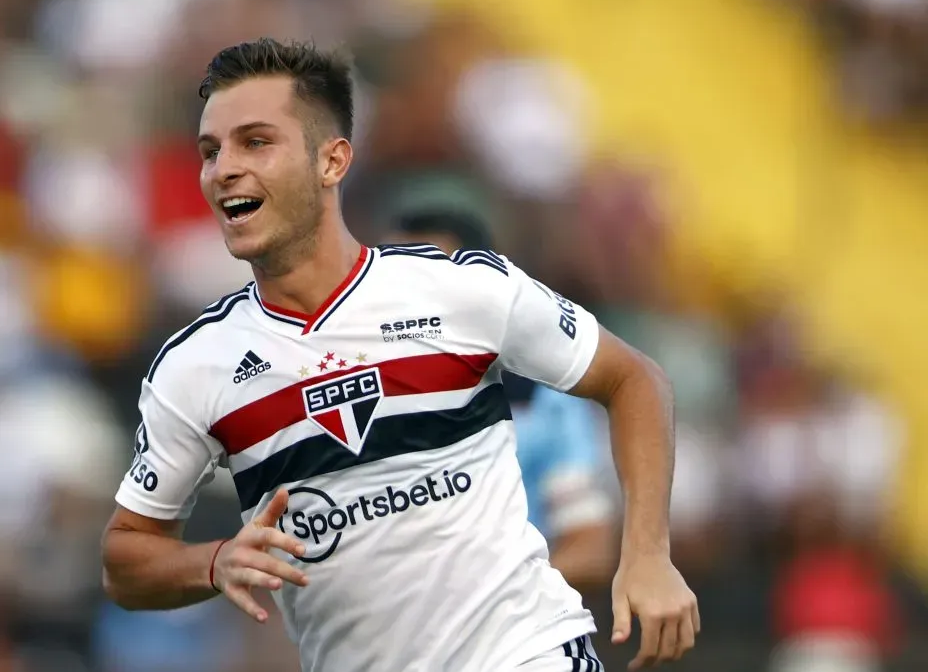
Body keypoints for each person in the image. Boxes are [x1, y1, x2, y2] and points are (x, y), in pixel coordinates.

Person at [101, 39, 699, 672]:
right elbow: (126, 558)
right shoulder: (196, 366)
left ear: (331, 162)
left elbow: (634, 378)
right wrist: (213, 561)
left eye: (255, 142)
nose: (223, 168)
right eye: (211, 150)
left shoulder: (463, 289)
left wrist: (647, 555)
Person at [383, 200, 617, 590]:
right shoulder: (353, 399)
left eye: (428, 278)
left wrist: (487, 597)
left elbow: (590, 548)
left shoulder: (546, 407)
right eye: (393, 281)